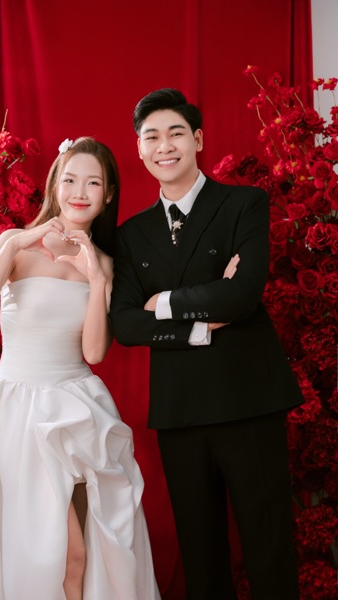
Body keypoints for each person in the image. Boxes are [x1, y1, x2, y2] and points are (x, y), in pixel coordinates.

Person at [0, 137, 160, 600]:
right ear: (55, 184)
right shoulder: (15, 244)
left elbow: (94, 352)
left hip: (75, 410)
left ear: (108, 194)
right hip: (15, 410)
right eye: (70, 179)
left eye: (93, 183)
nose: (80, 192)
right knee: (38, 549)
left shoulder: (105, 264)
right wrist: (15, 244)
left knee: (77, 555)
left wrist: (95, 276)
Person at [109, 89, 303, 600]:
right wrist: (199, 323)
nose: (164, 146)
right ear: (139, 149)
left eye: (176, 133)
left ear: (197, 139)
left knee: (268, 545)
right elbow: (125, 324)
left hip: (249, 397)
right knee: (201, 555)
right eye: (152, 137)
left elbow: (241, 295)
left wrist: (163, 302)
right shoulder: (131, 235)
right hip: (180, 410)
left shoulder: (243, 203)